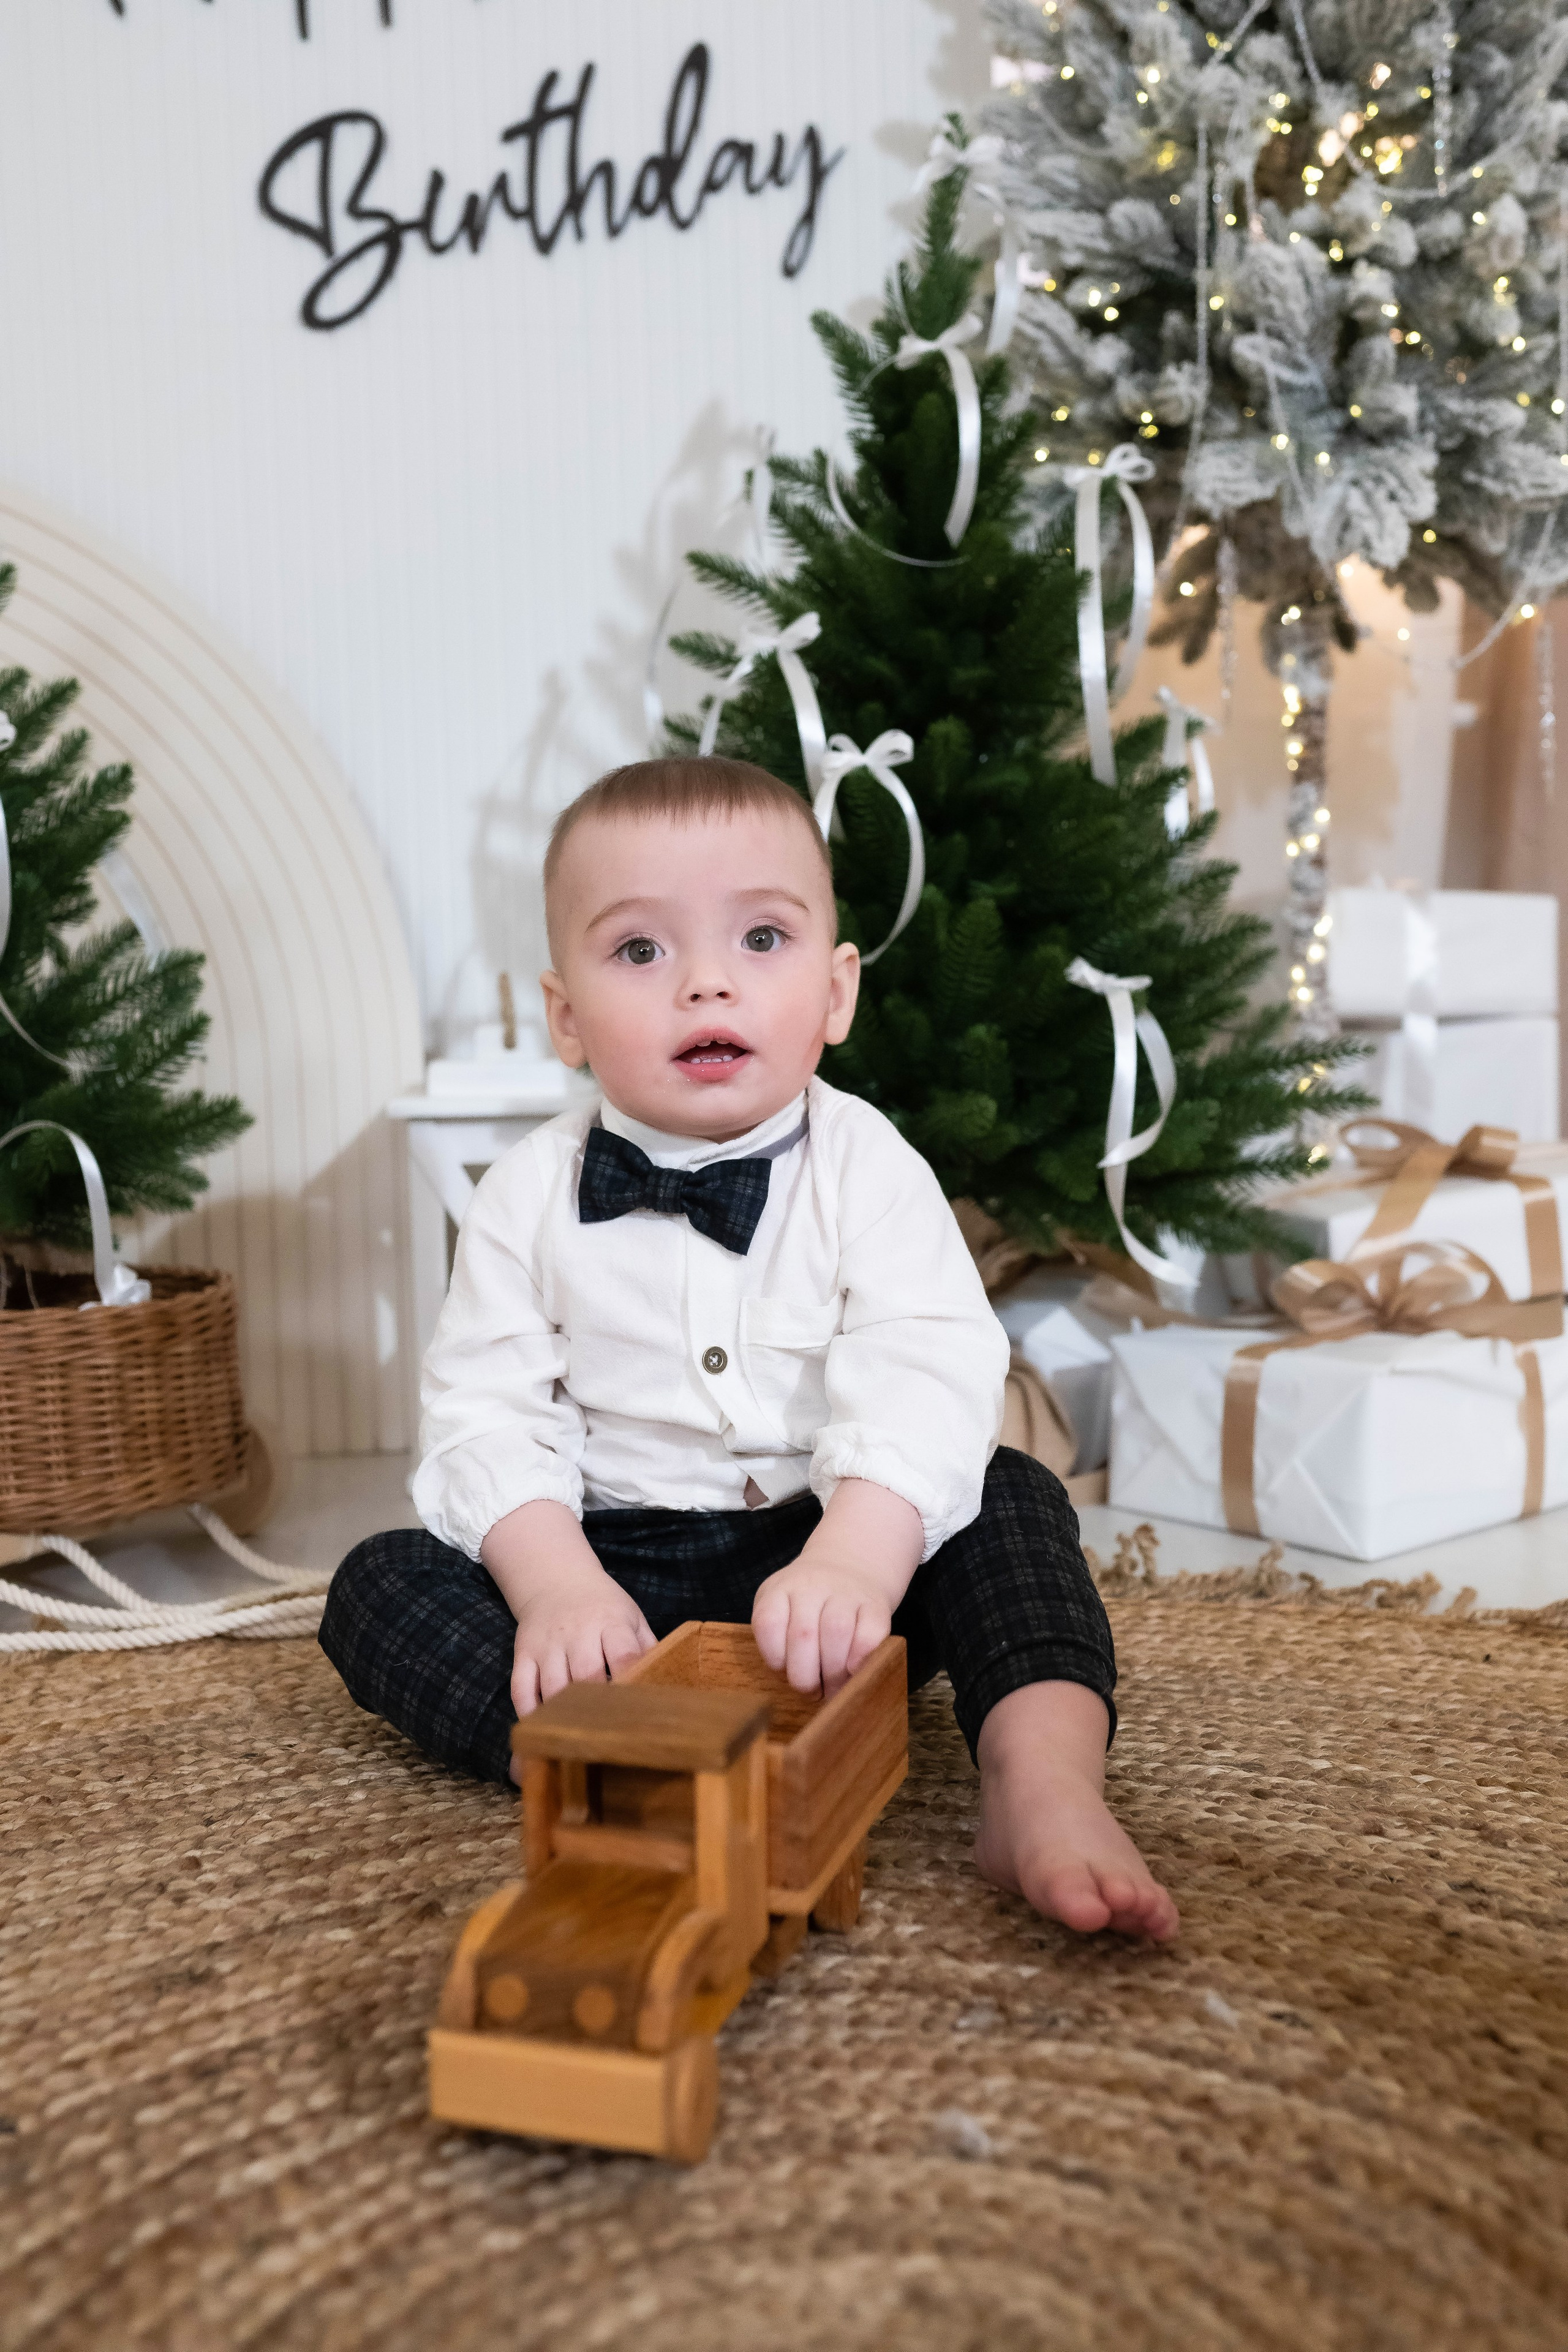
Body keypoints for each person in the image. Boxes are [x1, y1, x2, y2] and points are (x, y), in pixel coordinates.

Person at [322, 756, 1178, 1941]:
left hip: (829, 1549)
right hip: (615, 1567)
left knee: (1013, 1502)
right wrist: (558, 1586)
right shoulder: (526, 1196)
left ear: (837, 994)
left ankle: (1040, 1782)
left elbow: (925, 1368)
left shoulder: (869, 1167)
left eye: (761, 939)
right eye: (641, 952)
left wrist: (861, 1561)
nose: (708, 984)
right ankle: (622, 1774)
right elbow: (488, 1411)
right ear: (566, 1016)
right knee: (379, 1584)